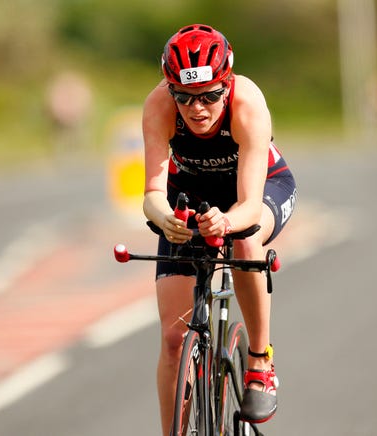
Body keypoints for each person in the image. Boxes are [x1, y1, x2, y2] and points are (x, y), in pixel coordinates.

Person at [142, 24, 297, 434]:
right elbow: (153, 195)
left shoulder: (247, 103)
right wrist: (166, 220)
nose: (197, 108)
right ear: (170, 90)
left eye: (211, 95)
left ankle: (260, 361)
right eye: (185, 97)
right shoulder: (158, 106)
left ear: (227, 86)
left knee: (246, 243)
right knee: (174, 341)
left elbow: (247, 204)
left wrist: (227, 222)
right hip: (188, 198)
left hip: (257, 190)